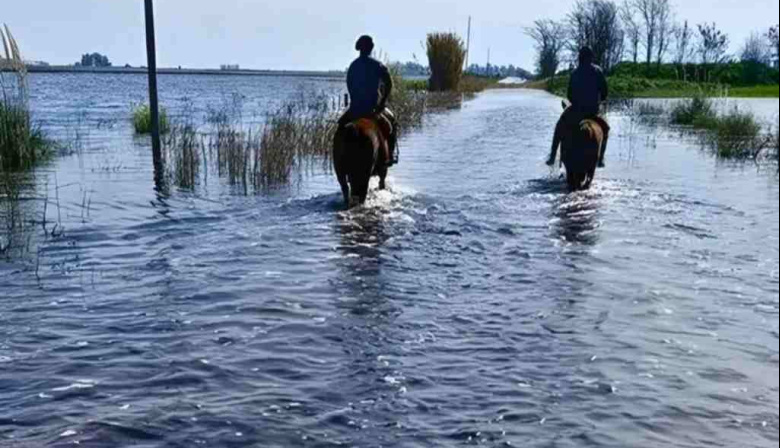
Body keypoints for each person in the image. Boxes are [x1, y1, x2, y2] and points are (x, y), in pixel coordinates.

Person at [338, 35, 399, 167]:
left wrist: (355, 101)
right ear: (370, 49)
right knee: (391, 125)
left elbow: (350, 85)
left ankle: (338, 161)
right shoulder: (378, 65)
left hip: (355, 110)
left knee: (340, 126)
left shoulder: (353, 66)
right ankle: (389, 155)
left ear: (360, 49)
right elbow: (389, 83)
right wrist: (382, 102)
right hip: (373, 110)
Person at [547, 47, 610, 168]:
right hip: (593, 112)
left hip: (576, 112)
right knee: (606, 129)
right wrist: (599, 100)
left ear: (580, 57)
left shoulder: (575, 72)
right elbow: (604, 92)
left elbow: (569, 95)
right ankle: (601, 159)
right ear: (591, 58)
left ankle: (552, 156)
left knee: (559, 127)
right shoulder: (598, 71)